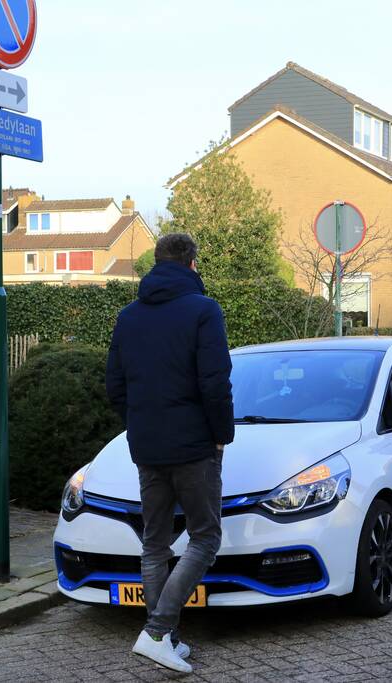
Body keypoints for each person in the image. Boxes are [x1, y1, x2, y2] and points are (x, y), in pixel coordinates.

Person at [105, 233, 233, 673]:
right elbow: (215, 382)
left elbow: (115, 387)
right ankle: (158, 631)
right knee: (205, 536)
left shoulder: (128, 316)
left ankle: (166, 637)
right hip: (194, 444)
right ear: (192, 264)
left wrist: (140, 424)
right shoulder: (204, 310)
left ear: (156, 263)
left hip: (147, 444)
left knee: (154, 542)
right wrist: (221, 435)